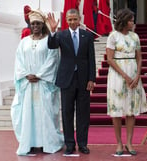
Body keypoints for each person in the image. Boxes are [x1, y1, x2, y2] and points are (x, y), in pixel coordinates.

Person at [11, 9, 64, 156]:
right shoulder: (24, 42)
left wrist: (40, 75)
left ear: (42, 25)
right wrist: (26, 75)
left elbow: (53, 58)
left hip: (43, 84)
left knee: (45, 114)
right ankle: (30, 143)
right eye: (32, 23)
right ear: (30, 24)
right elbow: (19, 62)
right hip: (28, 84)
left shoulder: (48, 40)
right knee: (29, 113)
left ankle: (46, 143)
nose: (35, 26)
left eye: (38, 23)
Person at [47, 9, 96, 155]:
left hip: (83, 80)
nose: (72, 22)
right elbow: (51, 45)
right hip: (66, 80)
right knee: (67, 113)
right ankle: (69, 144)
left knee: (83, 114)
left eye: (75, 19)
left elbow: (91, 59)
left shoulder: (87, 35)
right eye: (69, 19)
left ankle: (82, 144)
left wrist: (91, 79)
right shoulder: (61, 35)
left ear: (79, 19)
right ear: (66, 20)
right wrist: (53, 31)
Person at [106, 8, 147, 155]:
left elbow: (139, 57)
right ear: (123, 21)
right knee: (117, 111)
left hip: (133, 74)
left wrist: (137, 75)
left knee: (131, 111)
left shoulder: (135, 37)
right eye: (130, 20)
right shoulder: (113, 36)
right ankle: (119, 143)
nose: (133, 22)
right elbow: (110, 59)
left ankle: (129, 143)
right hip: (118, 76)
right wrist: (125, 75)